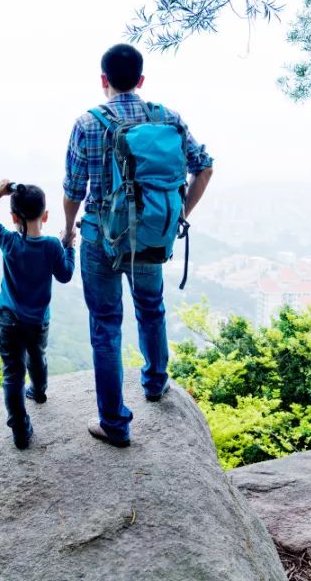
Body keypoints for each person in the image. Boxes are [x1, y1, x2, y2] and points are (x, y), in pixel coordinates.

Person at [62, 44, 214, 447]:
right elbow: (205, 166)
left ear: (103, 80)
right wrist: (179, 213)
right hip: (149, 231)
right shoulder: (166, 117)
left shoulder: (87, 123)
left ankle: (114, 423)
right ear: (141, 81)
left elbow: (74, 190)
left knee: (106, 326)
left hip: (99, 237)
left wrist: (67, 230)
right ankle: (155, 382)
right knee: (151, 307)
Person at [0, 180, 76, 449]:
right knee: (37, 357)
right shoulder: (52, 246)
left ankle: (20, 431)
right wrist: (70, 246)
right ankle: (39, 392)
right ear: (45, 215)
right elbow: (65, 275)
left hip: (7, 319)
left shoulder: (8, 241)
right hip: (37, 321)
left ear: (13, 217)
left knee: (12, 374)